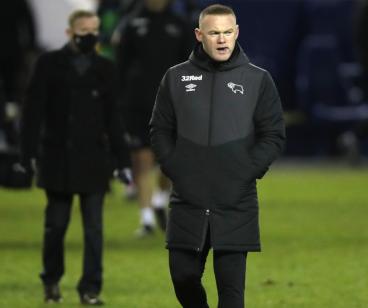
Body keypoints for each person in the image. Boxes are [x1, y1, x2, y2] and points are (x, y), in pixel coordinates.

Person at [149, 4, 285, 307]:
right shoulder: (175, 78)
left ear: (236, 33)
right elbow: (159, 130)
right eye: (214, 33)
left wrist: (246, 170)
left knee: (231, 295)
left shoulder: (258, 80)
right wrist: (175, 167)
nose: (222, 39)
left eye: (227, 32)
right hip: (188, 200)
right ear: (200, 35)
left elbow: (274, 134)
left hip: (236, 202)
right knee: (183, 278)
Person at [19, 10, 132, 305]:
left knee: (94, 230)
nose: (90, 35)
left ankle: (90, 288)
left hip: (94, 160)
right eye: (84, 30)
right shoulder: (48, 65)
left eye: (94, 29)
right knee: (55, 226)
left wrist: (122, 161)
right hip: (57, 158)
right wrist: (27, 154)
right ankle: (52, 281)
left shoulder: (105, 69)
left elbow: (114, 120)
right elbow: (33, 114)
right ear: (70, 33)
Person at [114, 0, 194, 236]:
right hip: (137, 103)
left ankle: (160, 199)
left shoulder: (180, 24)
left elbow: (191, 66)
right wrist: (118, 102)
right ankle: (146, 218)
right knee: (142, 158)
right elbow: (120, 66)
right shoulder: (131, 24)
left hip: (172, 103)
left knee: (169, 162)